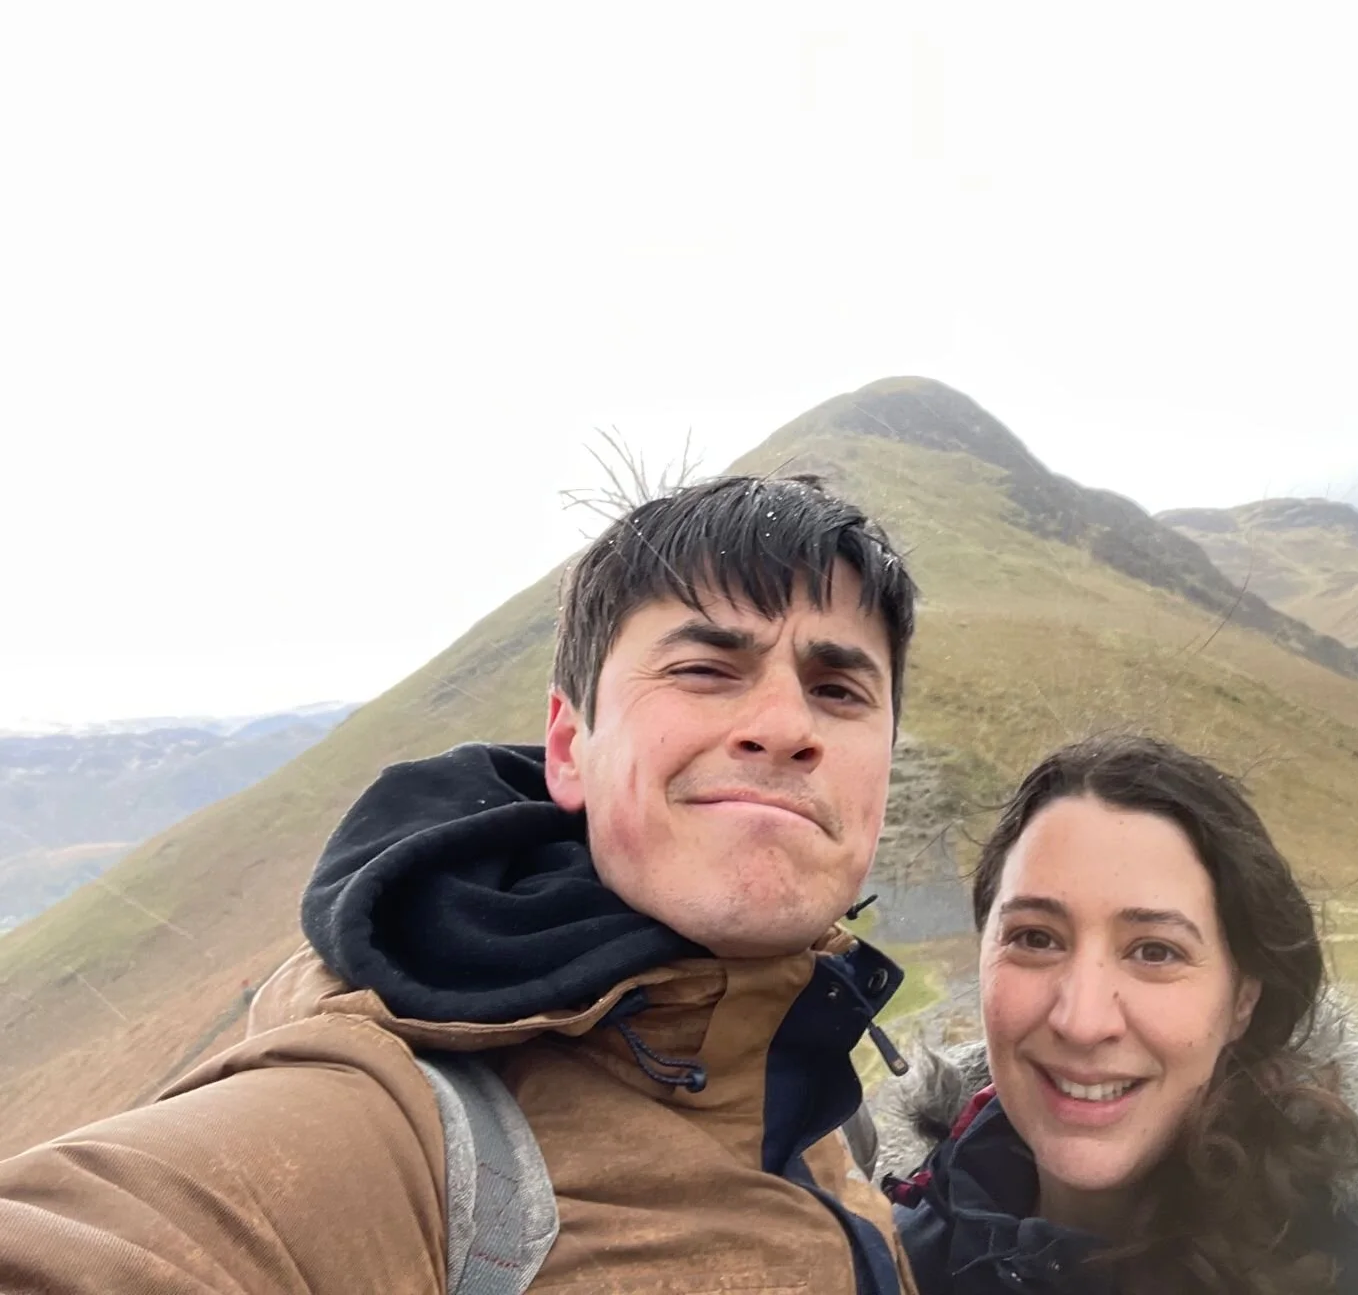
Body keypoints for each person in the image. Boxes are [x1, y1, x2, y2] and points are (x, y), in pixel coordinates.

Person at [0, 474, 922, 1294]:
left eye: (839, 692)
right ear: (570, 749)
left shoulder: (801, 1072)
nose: (782, 724)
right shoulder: (385, 1131)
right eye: (704, 670)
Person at [874, 734, 1358, 1295]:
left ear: (1243, 999)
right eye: (1036, 938)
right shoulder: (897, 1261)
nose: (1082, 1019)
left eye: (1155, 952)